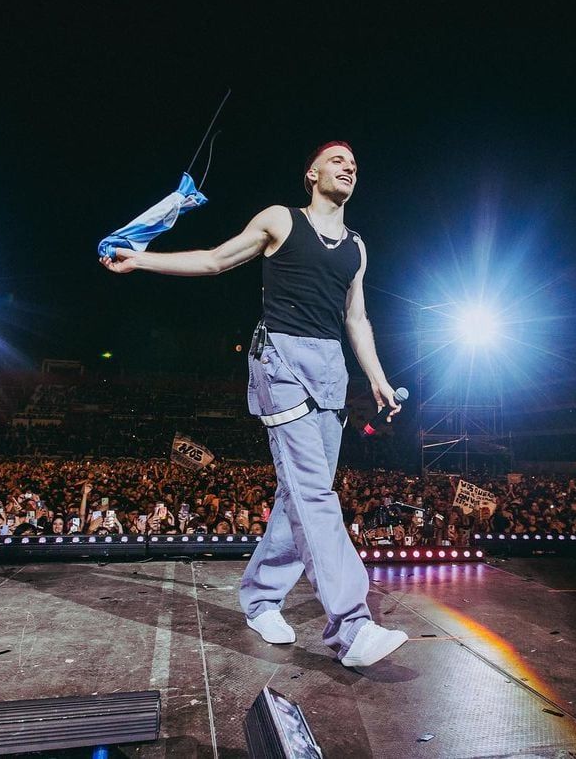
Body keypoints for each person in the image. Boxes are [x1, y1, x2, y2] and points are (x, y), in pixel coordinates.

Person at [101, 141, 407, 668]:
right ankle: (352, 628)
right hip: (281, 362)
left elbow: (356, 318)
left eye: (354, 161)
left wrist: (376, 376)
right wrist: (142, 258)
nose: (349, 165)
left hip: (331, 371)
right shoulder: (281, 220)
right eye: (337, 159)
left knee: (301, 494)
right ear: (311, 174)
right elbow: (216, 260)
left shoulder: (357, 246)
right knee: (313, 491)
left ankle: (261, 598)